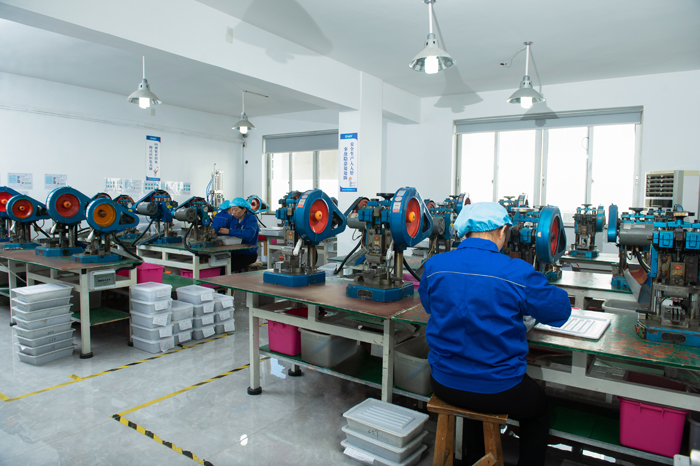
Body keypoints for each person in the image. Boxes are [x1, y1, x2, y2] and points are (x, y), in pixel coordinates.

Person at [418, 202, 571, 466]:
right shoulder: (515, 271)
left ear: (466, 231)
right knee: (538, 409)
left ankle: (474, 458)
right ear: (502, 231)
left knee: (474, 403)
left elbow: (430, 306)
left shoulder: (435, 266)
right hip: (499, 387)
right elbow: (559, 312)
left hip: (444, 381)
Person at [217, 197, 260, 272]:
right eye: (232, 209)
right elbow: (222, 225)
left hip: (248, 254)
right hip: (234, 252)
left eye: (236, 210)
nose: (233, 212)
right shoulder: (232, 218)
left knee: (224, 269)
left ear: (244, 209)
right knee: (218, 265)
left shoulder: (251, 219)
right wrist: (214, 229)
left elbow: (248, 235)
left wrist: (229, 231)